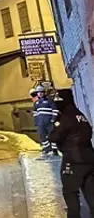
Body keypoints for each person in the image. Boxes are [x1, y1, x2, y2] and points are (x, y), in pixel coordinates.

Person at [48, 90, 94, 218]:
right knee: (90, 192)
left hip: (73, 160)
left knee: (70, 193)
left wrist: (55, 125)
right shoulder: (80, 115)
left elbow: (54, 136)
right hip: (89, 159)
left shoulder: (65, 117)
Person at [32, 85, 60, 155]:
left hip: (49, 123)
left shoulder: (49, 101)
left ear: (44, 93)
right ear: (37, 93)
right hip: (40, 124)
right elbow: (35, 113)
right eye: (38, 92)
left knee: (52, 136)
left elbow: (55, 110)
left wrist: (53, 119)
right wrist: (36, 122)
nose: (40, 93)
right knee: (42, 136)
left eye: (41, 92)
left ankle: (55, 150)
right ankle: (47, 149)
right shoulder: (36, 103)